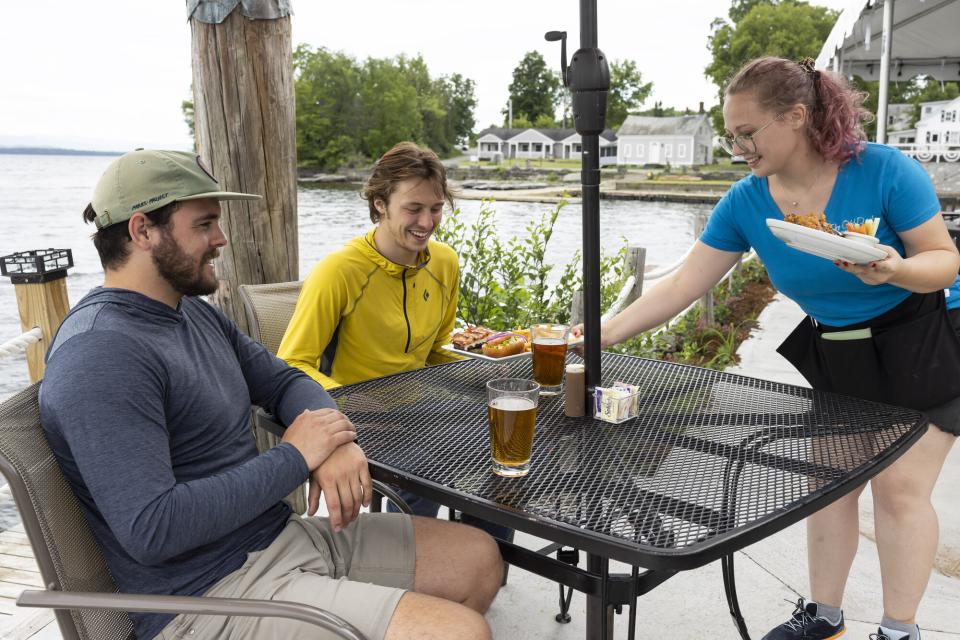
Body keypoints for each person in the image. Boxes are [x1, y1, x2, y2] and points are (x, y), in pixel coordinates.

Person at [39, 149, 502, 640]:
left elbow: (284, 380)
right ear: (142, 231)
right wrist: (296, 456)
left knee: (478, 558)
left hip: (279, 537)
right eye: (204, 224)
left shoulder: (191, 312)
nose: (220, 239)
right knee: (459, 632)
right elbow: (153, 528)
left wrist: (334, 438)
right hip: (205, 596)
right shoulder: (101, 353)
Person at [576, 57, 960, 640]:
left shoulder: (884, 170)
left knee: (900, 491)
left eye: (747, 134)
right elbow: (683, 286)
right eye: (732, 137)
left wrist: (897, 269)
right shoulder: (745, 202)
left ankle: (898, 629)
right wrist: (599, 334)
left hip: (926, 332)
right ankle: (824, 617)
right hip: (839, 345)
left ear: (797, 117)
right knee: (828, 482)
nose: (738, 148)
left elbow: (944, 260)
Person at [277, 142, 510, 541]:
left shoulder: (444, 262)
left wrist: (482, 373)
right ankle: (417, 562)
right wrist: (346, 394)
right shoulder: (340, 271)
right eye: (413, 208)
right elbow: (291, 364)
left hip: (421, 405)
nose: (427, 221)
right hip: (359, 413)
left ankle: (486, 551)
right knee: (430, 461)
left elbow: (436, 350)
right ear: (380, 203)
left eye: (435, 208)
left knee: (502, 436)